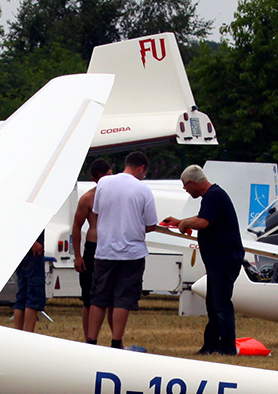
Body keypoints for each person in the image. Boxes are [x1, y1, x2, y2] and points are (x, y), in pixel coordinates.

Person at [164, 164, 243, 355]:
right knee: (214, 302)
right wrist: (178, 221)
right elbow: (204, 217)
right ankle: (211, 346)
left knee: (221, 303)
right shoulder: (213, 196)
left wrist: (186, 223)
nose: (185, 190)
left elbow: (203, 221)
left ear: (192, 182)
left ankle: (227, 348)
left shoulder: (214, 195)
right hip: (220, 259)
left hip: (224, 258)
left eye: (185, 186)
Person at [86, 151, 158, 348]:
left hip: (105, 249)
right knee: (122, 299)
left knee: (99, 297)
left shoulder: (104, 183)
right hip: (132, 252)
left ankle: (91, 340)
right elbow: (151, 224)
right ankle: (116, 342)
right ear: (141, 168)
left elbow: (98, 211)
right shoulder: (143, 190)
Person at [71, 158, 113, 340]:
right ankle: (88, 339)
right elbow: (76, 226)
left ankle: (116, 339)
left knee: (112, 298)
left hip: (112, 247)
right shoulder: (88, 198)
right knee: (89, 298)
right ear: (95, 179)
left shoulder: (117, 195)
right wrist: (78, 256)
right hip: (93, 246)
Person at [12, 231, 46, 332]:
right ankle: (28, 335)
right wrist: (32, 242)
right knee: (33, 297)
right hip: (33, 253)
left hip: (22, 251)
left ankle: (18, 335)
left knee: (22, 296)